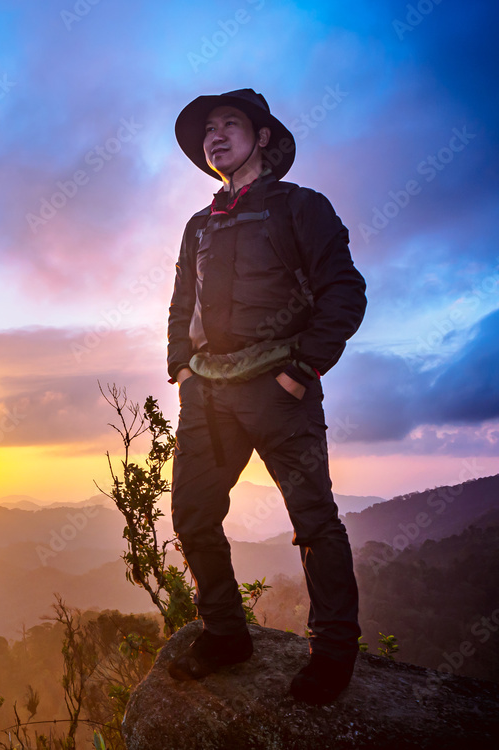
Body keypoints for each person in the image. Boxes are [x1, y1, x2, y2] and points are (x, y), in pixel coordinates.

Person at [165, 89, 367, 705]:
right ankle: (226, 633)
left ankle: (332, 654)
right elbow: (181, 305)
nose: (215, 135)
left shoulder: (300, 208)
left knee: (314, 523)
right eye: (208, 130)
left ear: (262, 138)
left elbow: (345, 292)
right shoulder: (199, 224)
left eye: (230, 124)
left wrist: (302, 367)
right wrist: (182, 369)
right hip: (208, 397)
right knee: (194, 516)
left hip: (281, 391)